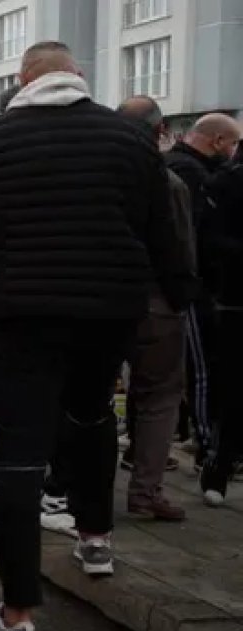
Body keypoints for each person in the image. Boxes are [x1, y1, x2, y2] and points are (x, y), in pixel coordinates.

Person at [0, 43, 192, 631]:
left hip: (25, 311)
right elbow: (164, 230)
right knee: (92, 416)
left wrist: (6, 251)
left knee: (18, 451)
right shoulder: (132, 138)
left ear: (24, 81)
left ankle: (18, 611)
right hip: (111, 310)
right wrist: (181, 296)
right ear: (76, 76)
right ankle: (96, 540)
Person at [114, 96, 198, 522]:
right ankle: (146, 492)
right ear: (159, 129)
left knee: (87, 398)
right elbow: (180, 249)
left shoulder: (97, 177)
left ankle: (69, 491)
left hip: (101, 298)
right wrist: (182, 295)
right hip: (155, 301)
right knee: (160, 396)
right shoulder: (167, 183)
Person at [166, 113, 241, 462]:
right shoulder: (194, 175)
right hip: (192, 285)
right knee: (203, 368)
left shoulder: (182, 167)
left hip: (191, 283)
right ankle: (208, 444)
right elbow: (196, 235)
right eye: (233, 143)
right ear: (218, 142)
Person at [199, 120, 243, 507]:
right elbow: (210, 240)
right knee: (231, 388)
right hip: (232, 300)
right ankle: (219, 465)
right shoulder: (227, 183)